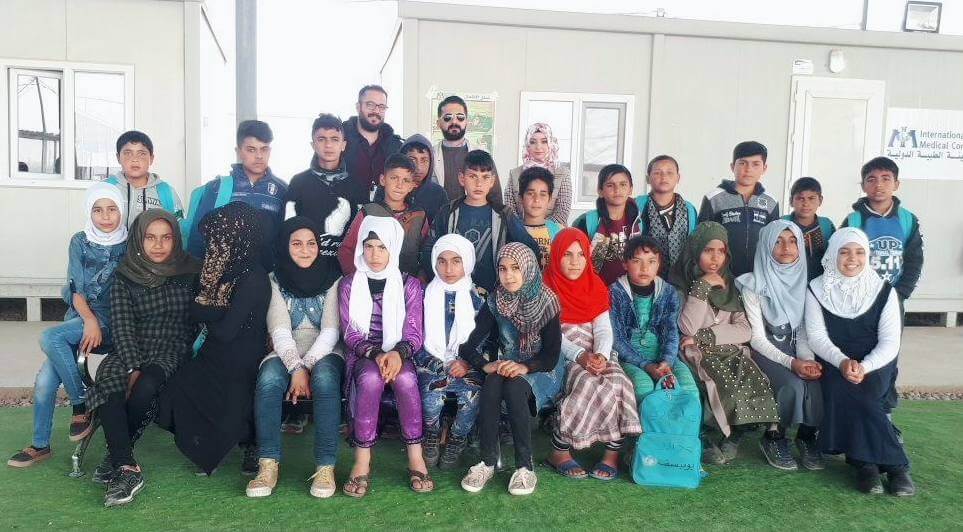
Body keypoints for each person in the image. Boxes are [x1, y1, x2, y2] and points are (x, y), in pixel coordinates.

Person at [8, 183, 128, 468]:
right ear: (90, 212)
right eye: (98, 210)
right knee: (45, 382)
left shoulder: (129, 242)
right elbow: (75, 288)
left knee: (50, 338)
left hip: (113, 317)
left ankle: (80, 403)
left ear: (121, 211)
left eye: (112, 209)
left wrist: (96, 321)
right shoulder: (80, 240)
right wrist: (87, 319)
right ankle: (41, 444)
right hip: (81, 315)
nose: (106, 216)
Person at [85, 210, 199, 507]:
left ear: (175, 239)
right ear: (139, 239)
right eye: (150, 237)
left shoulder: (190, 272)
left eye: (166, 237)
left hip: (171, 348)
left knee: (147, 386)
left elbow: (196, 322)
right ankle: (126, 465)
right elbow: (122, 325)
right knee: (111, 385)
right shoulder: (125, 275)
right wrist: (132, 364)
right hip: (129, 346)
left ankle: (117, 455)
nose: (158, 245)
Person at [155, 202, 271, 476]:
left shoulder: (254, 277)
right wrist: (215, 311)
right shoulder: (220, 270)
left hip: (241, 359)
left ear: (238, 238)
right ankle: (209, 443)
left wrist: (207, 311)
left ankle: (244, 442)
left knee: (226, 402)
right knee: (170, 396)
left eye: (220, 238)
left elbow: (224, 330)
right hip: (214, 353)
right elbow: (195, 311)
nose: (214, 246)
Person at [804, 228, 915, 496]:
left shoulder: (884, 291)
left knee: (867, 395)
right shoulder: (817, 289)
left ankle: (866, 463)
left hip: (875, 362)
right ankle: (892, 465)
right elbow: (817, 336)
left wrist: (863, 366)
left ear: (868, 256)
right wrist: (842, 362)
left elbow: (890, 342)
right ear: (833, 254)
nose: (851, 258)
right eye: (844, 251)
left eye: (859, 252)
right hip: (834, 359)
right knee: (846, 391)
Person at [245, 216, 345, 499]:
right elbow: (278, 329)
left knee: (325, 380)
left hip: (325, 350)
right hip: (285, 348)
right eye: (297, 244)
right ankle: (267, 464)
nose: (305, 250)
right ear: (285, 246)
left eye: (311, 243)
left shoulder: (333, 277)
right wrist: (295, 367)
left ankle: (325, 466)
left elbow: (330, 331)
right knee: (269, 380)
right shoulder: (274, 279)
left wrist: (307, 366)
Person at [458, 243, 563, 496]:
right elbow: (467, 346)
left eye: (516, 268)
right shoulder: (496, 300)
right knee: (493, 381)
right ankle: (487, 462)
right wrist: (486, 364)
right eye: (503, 269)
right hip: (508, 363)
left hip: (543, 370)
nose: (509, 275)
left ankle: (525, 468)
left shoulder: (547, 300)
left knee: (514, 387)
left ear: (528, 268)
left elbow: (551, 356)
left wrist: (524, 366)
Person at [672, 221, 779, 465]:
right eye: (708, 250)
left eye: (721, 251)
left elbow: (744, 329)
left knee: (749, 377)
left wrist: (707, 336)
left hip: (729, 352)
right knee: (711, 385)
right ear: (695, 251)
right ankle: (710, 436)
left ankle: (736, 434)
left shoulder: (732, 286)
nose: (715, 258)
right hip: (696, 355)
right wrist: (702, 287)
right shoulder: (681, 285)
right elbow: (686, 328)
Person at [339, 216, 431, 497]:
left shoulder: (409, 285)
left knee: (404, 380)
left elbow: (415, 334)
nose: (375, 254)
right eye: (368, 246)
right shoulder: (349, 285)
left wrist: (396, 354)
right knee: (369, 379)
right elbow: (351, 335)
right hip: (364, 354)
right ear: (361, 249)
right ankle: (362, 461)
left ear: (394, 249)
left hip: (402, 353)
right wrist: (379, 354)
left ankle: (415, 456)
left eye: (382, 247)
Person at [543, 229, 641, 481]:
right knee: (587, 383)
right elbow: (552, 335)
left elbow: (603, 328)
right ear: (555, 256)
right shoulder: (546, 288)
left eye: (580, 254)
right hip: (563, 353)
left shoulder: (594, 285)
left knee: (619, 382)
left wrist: (601, 355)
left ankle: (611, 454)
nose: (575, 262)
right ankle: (560, 450)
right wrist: (580, 357)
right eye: (567, 254)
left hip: (598, 349)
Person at [735, 220, 823, 472]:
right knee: (791, 384)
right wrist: (791, 363)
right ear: (766, 246)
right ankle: (774, 436)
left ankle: (806, 437)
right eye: (778, 241)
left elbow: (804, 331)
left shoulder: (806, 284)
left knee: (816, 382)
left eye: (792, 241)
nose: (786, 247)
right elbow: (756, 338)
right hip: (765, 351)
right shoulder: (753, 284)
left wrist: (806, 360)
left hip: (797, 350)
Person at [424, 150, 540, 294]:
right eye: (472, 176)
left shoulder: (504, 214)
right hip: (452, 292)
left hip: (494, 296)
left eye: (485, 177)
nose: (479, 183)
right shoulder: (447, 212)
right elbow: (429, 249)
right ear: (462, 178)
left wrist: (515, 286)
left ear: (492, 181)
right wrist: (440, 280)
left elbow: (530, 249)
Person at [415, 235, 485, 470]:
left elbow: (486, 339)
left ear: (467, 262)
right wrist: (438, 364)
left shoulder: (479, 298)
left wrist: (466, 362)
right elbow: (414, 337)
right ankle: (432, 435)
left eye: (456, 261)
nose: (449, 269)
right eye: (442, 261)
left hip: (468, 364)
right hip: (430, 361)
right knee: (429, 396)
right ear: (434, 263)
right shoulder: (424, 295)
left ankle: (457, 438)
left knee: (472, 396)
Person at [182, 120, 287, 270]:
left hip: (265, 278)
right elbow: (198, 237)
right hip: (222, 278)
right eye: (251, 149)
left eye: (264, 149)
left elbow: (284, 239)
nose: (259, 156)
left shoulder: (282, 190)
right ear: (238, 151)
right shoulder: (217, 188)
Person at [610, 235, 697, 406]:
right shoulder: (614, 292)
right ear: (625, 264)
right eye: (637, 261)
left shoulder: (668, 292)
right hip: (629, 356)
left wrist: (667, 361)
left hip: (663, 354)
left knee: (688, 387)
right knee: (644, 387)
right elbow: (617, 339)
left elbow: (671, 331)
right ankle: (648, 431)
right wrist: (646, 365)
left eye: (651, 261)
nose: (644, 268)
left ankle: (684, 431)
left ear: (658, 264)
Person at [841, 157, 923, 304]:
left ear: (896, 184)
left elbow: (914, 260)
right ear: (863, 186)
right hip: (859, 299)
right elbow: (840, 259)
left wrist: (900, 294)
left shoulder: (907, 220)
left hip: (894, 297)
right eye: (871, 180)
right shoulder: (853, 221)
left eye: (886, 179)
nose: (878, 185)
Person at [698, 141, 780, 277]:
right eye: (742, 163)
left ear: (764, 168)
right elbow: (701, 240)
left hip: (758, 278)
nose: (748, 169)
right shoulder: (714, 199)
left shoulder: (770, 202)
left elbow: (774, 242)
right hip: (721, 276)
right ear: (732, 166)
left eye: (755, 164)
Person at [339, 154, 429, 278]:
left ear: (412, 185)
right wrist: (357, 280)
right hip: (370, 286)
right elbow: (346, 250)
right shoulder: (369, 212)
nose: (399, 185)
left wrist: (420, 282)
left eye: (406, 180)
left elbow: (426, 253)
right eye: (394, 178)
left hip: (407, 288)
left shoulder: (419, 216)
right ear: (383, 180)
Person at [284, 113, 355, 234]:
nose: (328, 145)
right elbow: (288, 229)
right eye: (321, 139)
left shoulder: (357, 184)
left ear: (343, 145)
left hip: (345, 253)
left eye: (335, 139)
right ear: (313, 145)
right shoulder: (298, 182)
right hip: (308, 252)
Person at [572, 164, 640, 285]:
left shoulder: (638, 220)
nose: (617, 190)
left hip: (629, 290)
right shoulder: (586, 221)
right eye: (610, 185)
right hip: (595, 288)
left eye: (623, 184)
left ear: (630, 189)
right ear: (600, 191)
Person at [106, 130, 184, 227]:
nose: (135, 159)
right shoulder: (107, 188)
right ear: (118, 157)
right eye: (128, 153)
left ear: (151, 158)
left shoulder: (166, 192)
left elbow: (179, 228)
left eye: (141, 153)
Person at [432, 95, 503, 202]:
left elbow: (495, 197)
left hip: (474, 217)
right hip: (439, 217)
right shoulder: (429, 156)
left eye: (460, 118)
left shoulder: (482, 155)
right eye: (447, 118)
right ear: (438, 124)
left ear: (467, 122)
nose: (454, 122)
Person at [342, 85, 404, 207]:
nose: (376, 111)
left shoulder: (396, 147)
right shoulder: (338, 139)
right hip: (342, 220)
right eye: (370, 105)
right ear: (358, 107)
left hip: (383, 219)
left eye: (381, 107)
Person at [635, 155, 698, 269]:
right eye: (657, 173)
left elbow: (694, 245)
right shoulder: (637, 205)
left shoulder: (689, 209)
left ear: (678, 178)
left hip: (681, 277)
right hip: (645, 274)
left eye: (669, 172)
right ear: (648, 178)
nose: (664, 177)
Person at [505, 123, 573, 225]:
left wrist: (541, 229)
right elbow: (510, 209)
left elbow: (562, 211)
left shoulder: (563, 173)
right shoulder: (515, 174)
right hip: (520, 233)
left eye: (544, 142)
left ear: (550, 143)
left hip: (554, 233)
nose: (538, 147)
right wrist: (522, 230)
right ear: (527, 145)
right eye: (533, 142)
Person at [374, 134, 449, 225]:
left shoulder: (438, 194)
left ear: (431, 162)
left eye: (424, 160)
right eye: (412, 160)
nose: (418, 167)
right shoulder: (387, 188)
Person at [782, 177, 835, 281]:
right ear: (791, 201)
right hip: (788, 283)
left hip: (818, 285)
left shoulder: (826, 225)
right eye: (800, 198)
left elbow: (834, 255)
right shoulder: (782, 223)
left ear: (820, 200)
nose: (806, 203)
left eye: (811, 198)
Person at [517, 167, 564, 269]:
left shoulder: (559, 232)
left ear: (550, 199)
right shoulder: (512, 230)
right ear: (521, 198)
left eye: (542, 194)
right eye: (530, 193)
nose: (536, 199)